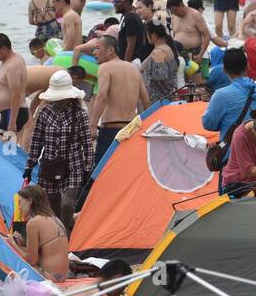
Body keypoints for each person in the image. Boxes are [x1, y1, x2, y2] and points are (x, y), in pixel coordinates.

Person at [24, 70, 93, 229]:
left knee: (67, 205)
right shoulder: (44, 113)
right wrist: (29, 166)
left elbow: (87, 144)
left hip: (73, 167)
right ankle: (60, 238)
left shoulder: (80, 114)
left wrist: (88, 169)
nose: (59, 100)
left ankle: (67, 237)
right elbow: (37, 142)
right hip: (49, 167)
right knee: (52, 211)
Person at [90, 35, 149, 165]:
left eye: (98, 48)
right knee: (125, 168)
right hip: (131, 128)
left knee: (101, 171)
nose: (94, 52)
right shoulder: (133, 69)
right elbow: (145, 101)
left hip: (111, 129)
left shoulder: (105, 67)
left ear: (110, 50)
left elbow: (102, 96)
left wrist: (93, 125)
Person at [15, 184, 71, 282]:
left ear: (30, 201)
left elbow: (31, 260)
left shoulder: (33, 223)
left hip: (49, 276)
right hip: (62, 275)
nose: (19, 207)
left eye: (20, 202)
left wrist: (12, 244)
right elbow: (47, 251)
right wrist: (22, 244)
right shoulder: (55, 218)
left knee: (12, 259)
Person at [0, 33, 28, 143]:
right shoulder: (9, 60)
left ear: (4, 48)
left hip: (14, 113)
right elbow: (7, 79)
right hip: (8, 113)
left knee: (7, 152)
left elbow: (16, 94)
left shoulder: (13, 65)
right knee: (6, 150)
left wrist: (12, 122)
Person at [140, 21, 179, 105]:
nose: (146, 37)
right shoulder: (166, 48)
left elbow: (161, 77)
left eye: (147, 34)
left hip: (157, 100)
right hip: (165, 97)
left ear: (153, 35)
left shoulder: (159, 53)